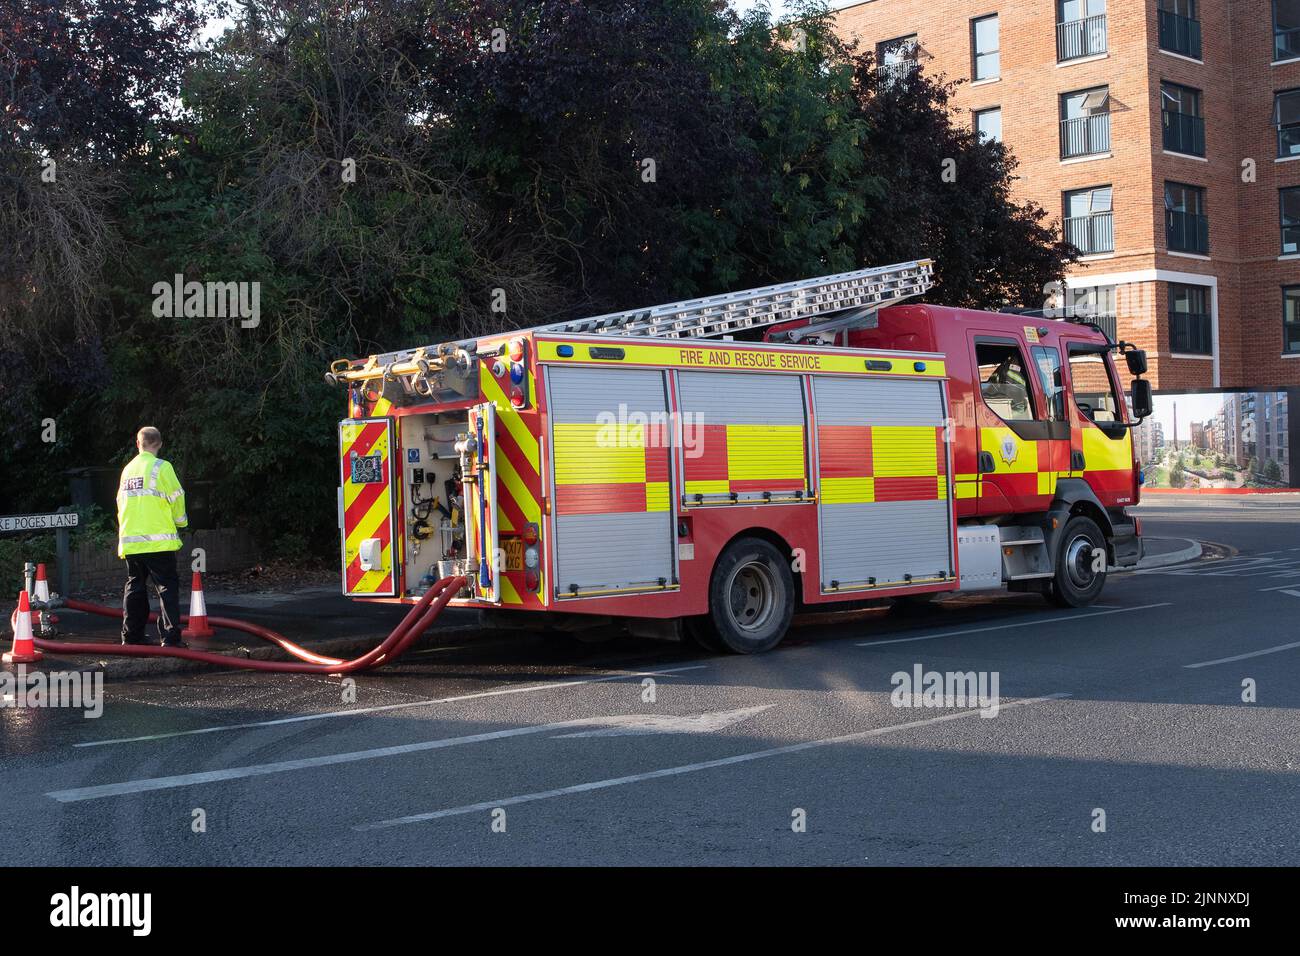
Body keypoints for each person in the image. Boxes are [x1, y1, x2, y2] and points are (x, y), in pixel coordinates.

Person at [116, 426, 188, 647]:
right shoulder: (162, 467)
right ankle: (170, 638)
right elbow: (177, 497)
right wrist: (181, 522)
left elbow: (120, 502)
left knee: (135, 587)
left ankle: (132, 636)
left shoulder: (127, 470)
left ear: (138, 444)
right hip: (159, 543)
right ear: (160, 444)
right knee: (166, 588)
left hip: (132, 543)